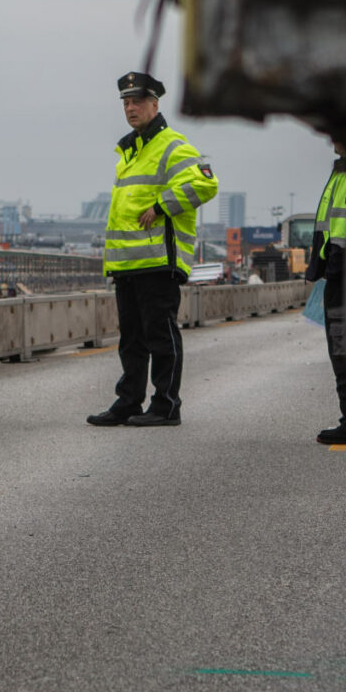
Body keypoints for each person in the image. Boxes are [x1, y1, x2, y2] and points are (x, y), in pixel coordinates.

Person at [87, 71, 217, 427]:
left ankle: (166, 404)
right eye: (126, 103)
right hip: (128, 264)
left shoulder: (173, 145)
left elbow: (205, 184)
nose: (131, 108)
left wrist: (162, 206)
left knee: (160, 335)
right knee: (131, 339)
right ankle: (128, 401)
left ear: (155, 104)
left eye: (138, 102)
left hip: (158, 261)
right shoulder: (129, 151)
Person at [314, 147, 346, 444]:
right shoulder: (344, 168)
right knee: (343, 347)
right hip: (343, 270)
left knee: (345, 347)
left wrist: (338, 259)